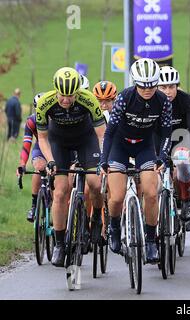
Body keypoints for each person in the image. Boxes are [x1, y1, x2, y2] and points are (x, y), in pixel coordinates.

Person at [100, 58, 171, 264]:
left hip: (144, 146)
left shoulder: (163, 101)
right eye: (142, 85)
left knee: (150, 193)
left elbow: (166, 132)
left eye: (151, 85)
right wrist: (104, 160)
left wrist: (162, 157)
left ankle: (150, 241)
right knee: (117, 196)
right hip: (119, 146)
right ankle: (113, 227)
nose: (147, 89)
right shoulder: (124, 98)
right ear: (135, 83)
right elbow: (110, 132)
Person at [36, 67, 106, 267]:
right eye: (62, 96)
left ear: (78, 92)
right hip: (59, 144)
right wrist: (50, 161)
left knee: (94, 182)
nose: (66, 100)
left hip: (86, 141)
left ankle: (97, 220)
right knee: (60, 193)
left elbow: (102, 134)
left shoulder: (89, 99)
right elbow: (42, 138)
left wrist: (102, 158)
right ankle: (59, 244)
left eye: (71, 96)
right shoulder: (44, 103)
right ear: (55, 90)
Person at [156, 66, 190, 231]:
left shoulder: (186, 100)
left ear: (177, 86)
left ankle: (187, 201)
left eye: (171, 87)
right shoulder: (153, 102)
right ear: (157, 87)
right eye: (163, 87)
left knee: (182, 162)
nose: (168, 91)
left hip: (180, 139)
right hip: (158, 140)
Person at [16, 92, 46, 222]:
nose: (41, 112)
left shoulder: (57, 118)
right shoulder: (31, 121)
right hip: (40, 147)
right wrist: (22, 163)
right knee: (39, 167)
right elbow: (26, 144)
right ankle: (34, 205)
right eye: (38, 108)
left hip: (58, 147)